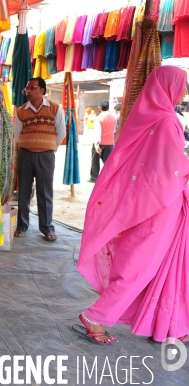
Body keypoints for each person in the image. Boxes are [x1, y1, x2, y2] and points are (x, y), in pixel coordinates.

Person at [74, 66, 189, 345]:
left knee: (150, 265)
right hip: (161, 207)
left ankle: (167, 324)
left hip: (142, 203)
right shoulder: (168, 121)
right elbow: (173, 167)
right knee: (143, 267)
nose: (185, 90)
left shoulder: (144, 118)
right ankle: (95, 315)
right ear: (170, 88)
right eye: (183, 84)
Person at [13, 77, 66, 242]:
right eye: (26, 89)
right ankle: (21, 226)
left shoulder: (55, 109)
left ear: (42, 90)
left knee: (45, 192)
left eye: (32, 88)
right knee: (24, 192)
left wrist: (49, 147)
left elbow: (61, 133)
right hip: (25, 155)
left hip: (46, 156)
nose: (28, 91)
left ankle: (47, 228)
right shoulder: (21, 111)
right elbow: (16, 134)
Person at [88, 100, 117, 183]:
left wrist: (96, 145)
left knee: (95, 160)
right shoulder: (113, 118)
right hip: (110, 142)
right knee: (108, 161)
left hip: (100, 142)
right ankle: (110, 177)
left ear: (99, 108)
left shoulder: (98, 118)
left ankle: (94, 177)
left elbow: (97, 132)